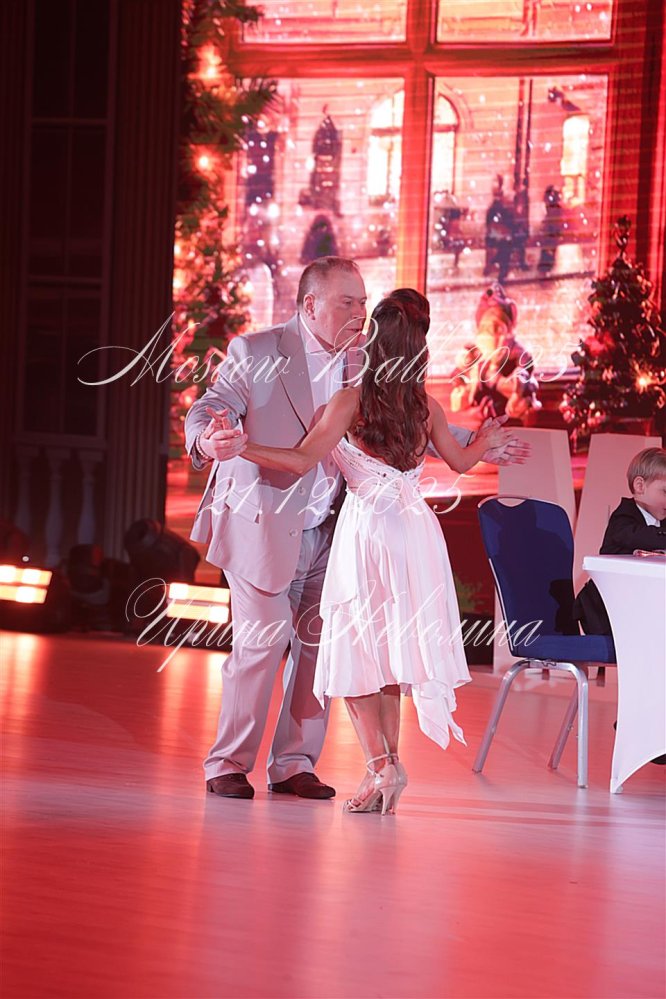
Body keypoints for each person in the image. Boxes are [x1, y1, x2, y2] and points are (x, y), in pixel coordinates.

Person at [185, 257, 529, 801]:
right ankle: (228, 763)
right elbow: (210, 408)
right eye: (347, 303)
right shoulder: (256, 352)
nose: (358, 313)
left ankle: (293, 764)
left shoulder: (364, 359)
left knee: (320, 648)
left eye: (364, 302)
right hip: (263, 524)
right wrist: (211, 440)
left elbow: (403, 417)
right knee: (263, 643)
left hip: (336, 531)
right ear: (310, 305)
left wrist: (480, 442)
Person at [574, 447, 666, 635]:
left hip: (639, 606)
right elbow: (642, 537)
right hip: (606, 610)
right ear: (640, 486)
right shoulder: (623, 517)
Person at [450, 282, 541, 422]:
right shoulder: (474, 356)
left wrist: (496, 380)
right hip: (478, 425)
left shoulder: (518, 357)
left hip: (508, 424)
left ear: (508, 330)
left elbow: (523, 388)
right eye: (486, 329)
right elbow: (458, 381)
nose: (493, 335)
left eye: (498, 328)